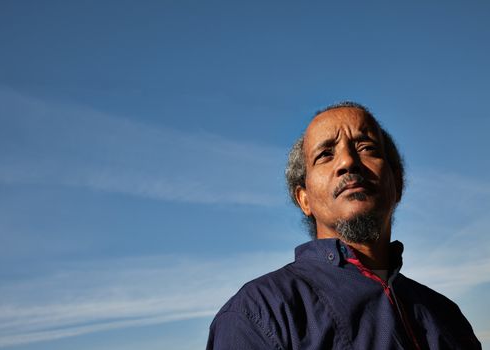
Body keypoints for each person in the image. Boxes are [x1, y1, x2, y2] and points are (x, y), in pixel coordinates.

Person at [206, 102, 481, 349]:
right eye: (325, 154)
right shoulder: (259, 313)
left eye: (367, 148)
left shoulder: (447, 316)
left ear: (396, 183)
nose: (348, 162)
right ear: (304, 199)